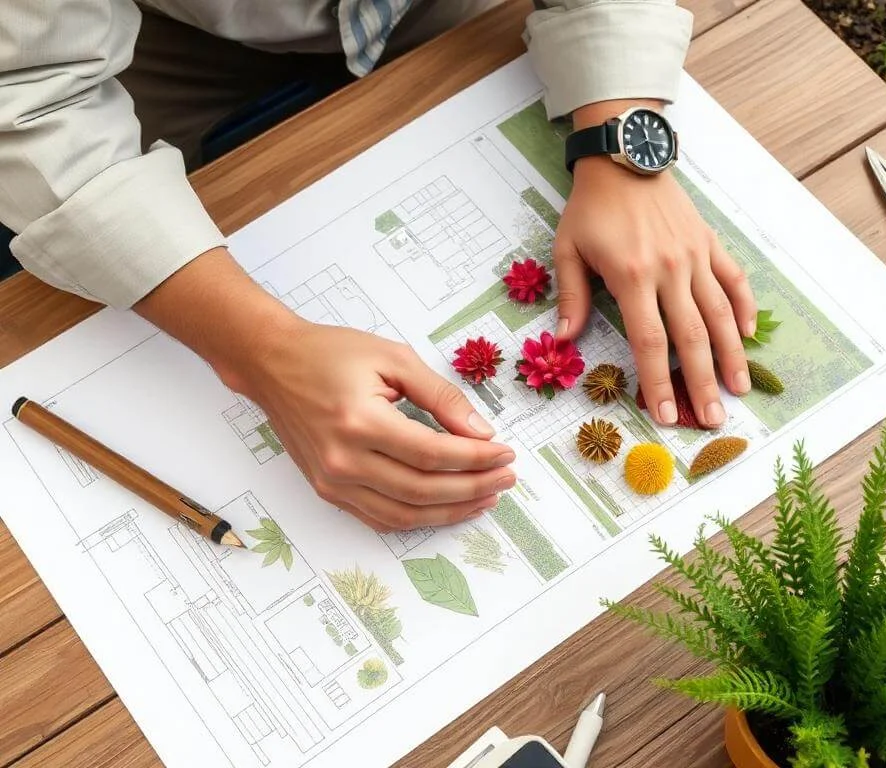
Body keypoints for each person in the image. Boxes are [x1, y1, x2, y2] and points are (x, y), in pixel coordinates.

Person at [0, 0, 756, 533]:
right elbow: (28, 94)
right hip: (166, 48)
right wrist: (261, 351)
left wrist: (620, 135)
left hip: (447, 27)